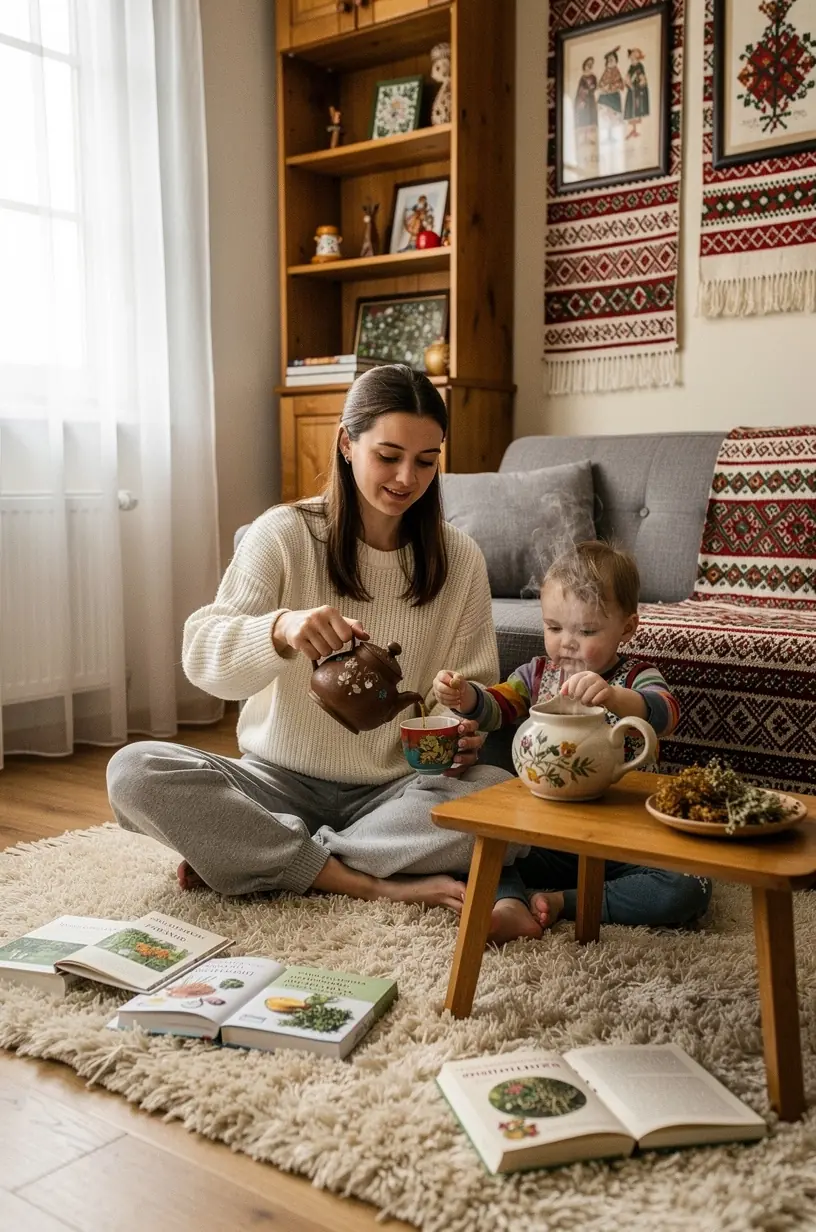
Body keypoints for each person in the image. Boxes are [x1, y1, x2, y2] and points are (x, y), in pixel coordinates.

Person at [107, 365, 527, 936]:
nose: (407, 478)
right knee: (133, 770)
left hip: (393, 794)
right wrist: (279, 630)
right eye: (389, 455)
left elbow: (466, 690)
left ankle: (265, 857)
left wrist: (461, 730)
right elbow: (202, 657)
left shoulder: (461, 559)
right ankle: (362, 880)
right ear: (347, 444)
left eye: (427, 461)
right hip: (274, 785)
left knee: (504, 800)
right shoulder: (283, 533)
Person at [433, 541, 712, 939]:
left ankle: (568, 901)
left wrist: (615, 697)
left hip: (623, 837)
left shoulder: (637, 677)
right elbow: (497, 708)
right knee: (472, 846)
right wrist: (466, 697)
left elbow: (667, 713)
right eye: (554, 627)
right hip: (548, 836)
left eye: (586, 630)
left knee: (690, 885)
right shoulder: (535, 675)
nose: (566, 642)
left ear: (627, 627)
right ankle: (510, 905)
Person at [574, 56, 599, 159]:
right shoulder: (582, 78)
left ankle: (589, 137)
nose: (589, 66)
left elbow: (594, 87)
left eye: (590, 64)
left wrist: (590, 89)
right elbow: (580, 90)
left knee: (590, 118)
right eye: (587, 64)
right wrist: (581, 99)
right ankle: (583, 138)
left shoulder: (593, 77)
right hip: (583, 100)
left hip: (590, 100)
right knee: (584, 118)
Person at [624, 48, 650, 139]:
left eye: (633, 58)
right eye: (631, 58)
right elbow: (627, 77)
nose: (632, 60)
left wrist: (637, 86)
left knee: (637, 109)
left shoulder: (639, 67)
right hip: (632, 91)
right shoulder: (631, 67)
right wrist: (628, 83)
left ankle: (637, 131)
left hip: (638, 91)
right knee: (631, 110)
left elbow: (642, 79)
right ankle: (632, 130)